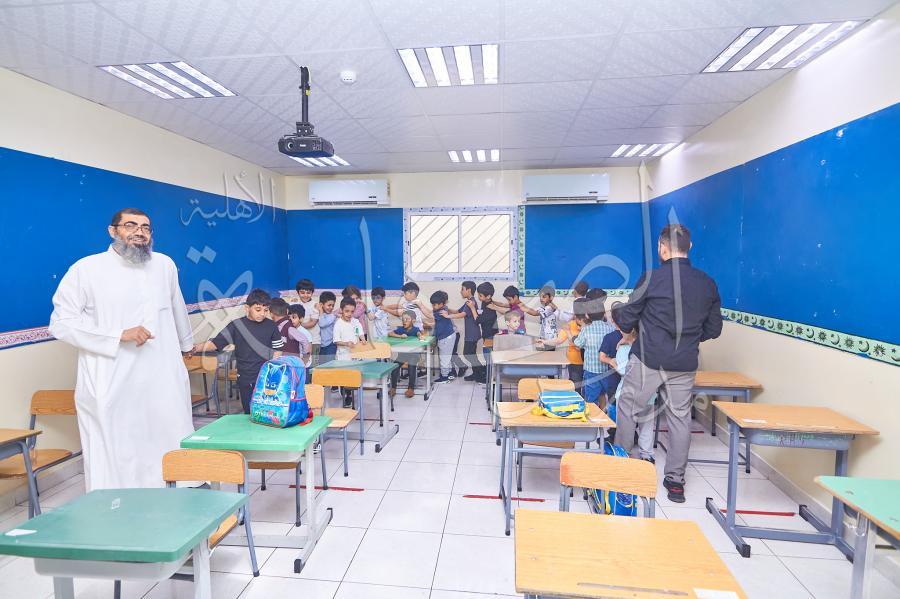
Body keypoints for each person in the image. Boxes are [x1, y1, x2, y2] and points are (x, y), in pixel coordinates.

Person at [49, 208, 195, 490]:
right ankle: (119, 507)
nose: (139, 232)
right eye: (131, 225)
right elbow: (61, 323)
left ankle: (176, 498)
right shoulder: (86, 269)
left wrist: (186, 344)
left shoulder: (164, 265)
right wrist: (117, 335)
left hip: (161, 375)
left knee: (167, 436)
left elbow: (176, 307)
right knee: (120, 450)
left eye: (146, 227)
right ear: (113, 230)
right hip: (112, 377)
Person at [612, 224, 722, 503]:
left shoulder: (651, 279)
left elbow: (627, 319)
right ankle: (675, 481)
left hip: (648, 359)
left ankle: (620, 467)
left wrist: (622, 314)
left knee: (628, 408)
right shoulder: (707, 283)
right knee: (680, 418)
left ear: (662, 248)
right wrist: (689, 338)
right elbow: (714, 329)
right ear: (690, 247)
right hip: (684, 362)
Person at [194, 289, 284, 414]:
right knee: (249, 411)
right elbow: (215, 343)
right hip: (245, 376)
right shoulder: (236, 325)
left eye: (266, 310)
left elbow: (278, 350)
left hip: (266, 378)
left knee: (267, 412)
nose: (262, 314)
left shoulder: (271, 326)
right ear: (247, 308)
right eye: (258, 310)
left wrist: (272, 372)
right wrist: (194, 348)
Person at [573, 289, 615, 406]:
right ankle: (603, 414)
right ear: (604, 314)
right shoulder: (610, 328)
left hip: (591, 372)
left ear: (587, 315)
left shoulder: (586, 329)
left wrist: (573, 338)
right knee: (604, 395)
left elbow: (578, 344)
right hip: (607, 371)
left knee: (591, 401)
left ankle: (593, 417)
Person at [536, 297, 586, 391]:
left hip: (589, 363)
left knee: (588, 388)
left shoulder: (590, 325)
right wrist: (544, 341)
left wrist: (569, 333)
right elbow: (558, 340)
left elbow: (579, 345)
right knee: (576, 387)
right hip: (574, 363)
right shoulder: (570, 324)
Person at [388, 311, 425, 398]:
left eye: (407, 319)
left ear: (413, 321)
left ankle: (411, 389)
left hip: (414, 354)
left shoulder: (415, 329)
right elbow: (390, 333)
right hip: (403, 355)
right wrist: (400, 336)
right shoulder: (401, 329)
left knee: (411, 366)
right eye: (403, 319)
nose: (404, 321)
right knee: (394, 367)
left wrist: (420, 336)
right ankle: (393, 388)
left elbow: (419, 334)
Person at [430, 291, 465, 383]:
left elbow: (429, 316)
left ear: (442, 303)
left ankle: (444, 377)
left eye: (434, 305)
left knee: (444, 358)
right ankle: (449, 374)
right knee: (447, 357)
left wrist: (420, 305)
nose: (433, 307)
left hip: (446, 337)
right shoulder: (443, 308)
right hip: (448, 336)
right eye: (432, 304)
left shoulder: (441, 312)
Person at [270, 298, 311, 366]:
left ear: (271, 314)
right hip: (280, 364)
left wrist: (305, 359)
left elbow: (304, 340)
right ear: (287, 311)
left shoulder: (289, 328)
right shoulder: (274, 326)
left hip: (291, 365)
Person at [473, 282, 498, 384]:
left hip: (490, 335)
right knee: (488, 356)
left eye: (480, 295)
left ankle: (489, 379)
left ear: (488, 296)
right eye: (478, 295)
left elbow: (477, 320)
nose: (479, 297)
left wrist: (472, 308)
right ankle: (489, 377)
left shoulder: (489, 308)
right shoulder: (486, 302)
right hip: (488, 334)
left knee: (488, 357)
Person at [295, 278, 320, 360]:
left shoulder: (315, 305)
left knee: (314, 364)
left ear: (312, 293)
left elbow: (312, 323)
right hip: (299, 341)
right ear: (298, 292)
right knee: (301, 362)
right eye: (302, 292)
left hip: (314, 341)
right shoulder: (295, 304)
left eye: (308, 293)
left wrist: (297, 325)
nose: (305, 295)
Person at [316, 291, 338, 365]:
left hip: (330, 345)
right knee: (321, 365)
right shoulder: (318, 314)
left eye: (333, 305)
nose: (331, 307)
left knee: (329, 365)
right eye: (329, 305)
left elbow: (322, 324)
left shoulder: (332, 316)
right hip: (321, 345)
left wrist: (321, 311)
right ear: (321, 304)